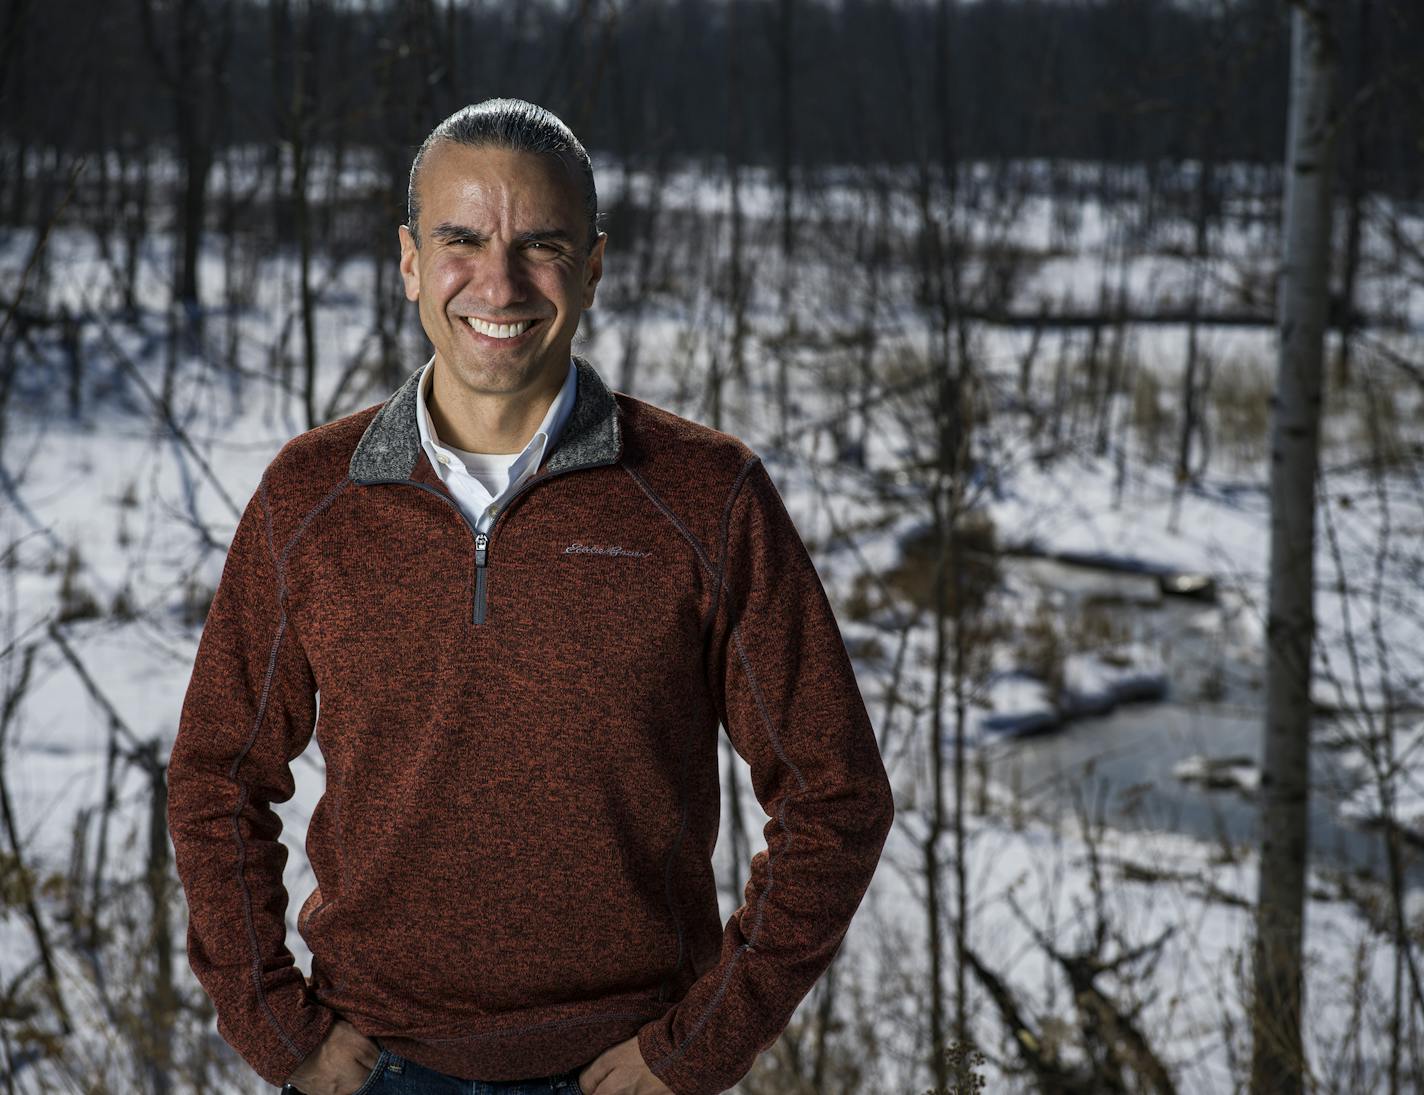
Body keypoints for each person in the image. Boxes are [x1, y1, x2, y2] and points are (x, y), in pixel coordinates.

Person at [166, 97, 895, 1095]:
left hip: (623, 1066)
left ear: (591, 265)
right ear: (410, 261)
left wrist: (699, 1046)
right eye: (460, 239)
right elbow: (215, 778)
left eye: (539, 244)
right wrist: (276, 1026)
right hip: (377, 1065)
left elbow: (834, 797)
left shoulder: (699, 493)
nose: (497, 282)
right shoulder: (312, 496)